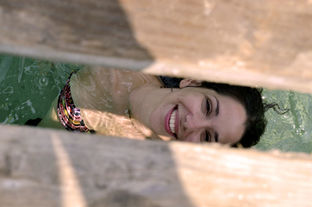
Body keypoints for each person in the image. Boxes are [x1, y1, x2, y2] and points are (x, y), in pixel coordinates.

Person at [27, 66, 268, 148]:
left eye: (207, 137)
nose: (192, 123)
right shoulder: (122, 67)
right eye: (207, 106)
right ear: (192, 82)